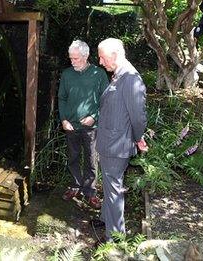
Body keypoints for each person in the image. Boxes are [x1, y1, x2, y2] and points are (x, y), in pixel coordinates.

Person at [95, 38, 148, 242]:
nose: (100, 62)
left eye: (102, 57)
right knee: (109, 186)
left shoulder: (131, 78)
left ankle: (115, 238)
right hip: (110, 142)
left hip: (116, 146)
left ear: (115, 55)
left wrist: (138, 137)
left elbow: (138, 117)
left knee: (114, 190)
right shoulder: (119, 75)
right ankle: (105, 219)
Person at [58, 40, 108, 209]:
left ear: (86, 56)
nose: (72, 62)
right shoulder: (67, 74)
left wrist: (95, 116)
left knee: (91, 159)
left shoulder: (99, 74)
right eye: (71, 58)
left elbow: (106, 100)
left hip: (91, 127)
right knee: (72, 157)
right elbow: (62, 98)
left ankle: (90, 192)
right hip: (71, 126)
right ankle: (75, 186)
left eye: (76, 59)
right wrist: (64, 119)